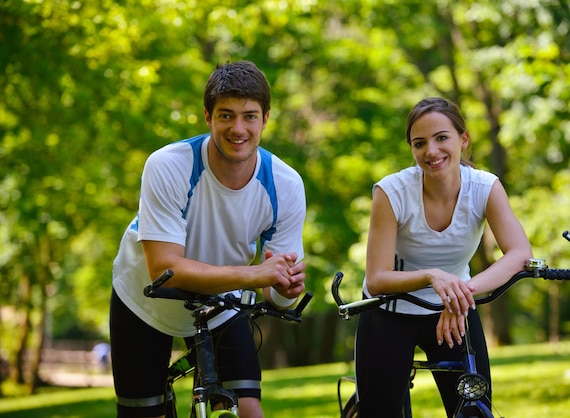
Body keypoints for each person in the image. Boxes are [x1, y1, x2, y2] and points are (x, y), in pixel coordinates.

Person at [109, 60, 307, 418]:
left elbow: (276, 292)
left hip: (220, 301)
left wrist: (285, 291)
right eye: (226, 115)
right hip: (144, 301)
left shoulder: (286, 185)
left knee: (247, 407)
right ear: (207, 117)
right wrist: (255, 276)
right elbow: (164, 270)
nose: (238, 128)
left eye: (249, 116)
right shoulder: (169, 165)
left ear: (265, 118)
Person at [354, 97, 532, 417]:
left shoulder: (484, 187)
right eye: (419, 143)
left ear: (463, 140)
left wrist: (460, 295)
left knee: (473, 410)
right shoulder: (391, 192)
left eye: (442, 138)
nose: (431, 151)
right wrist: (432, 276)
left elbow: (519, 253)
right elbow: (377, 279)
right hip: (389, 312)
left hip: (455, 311)